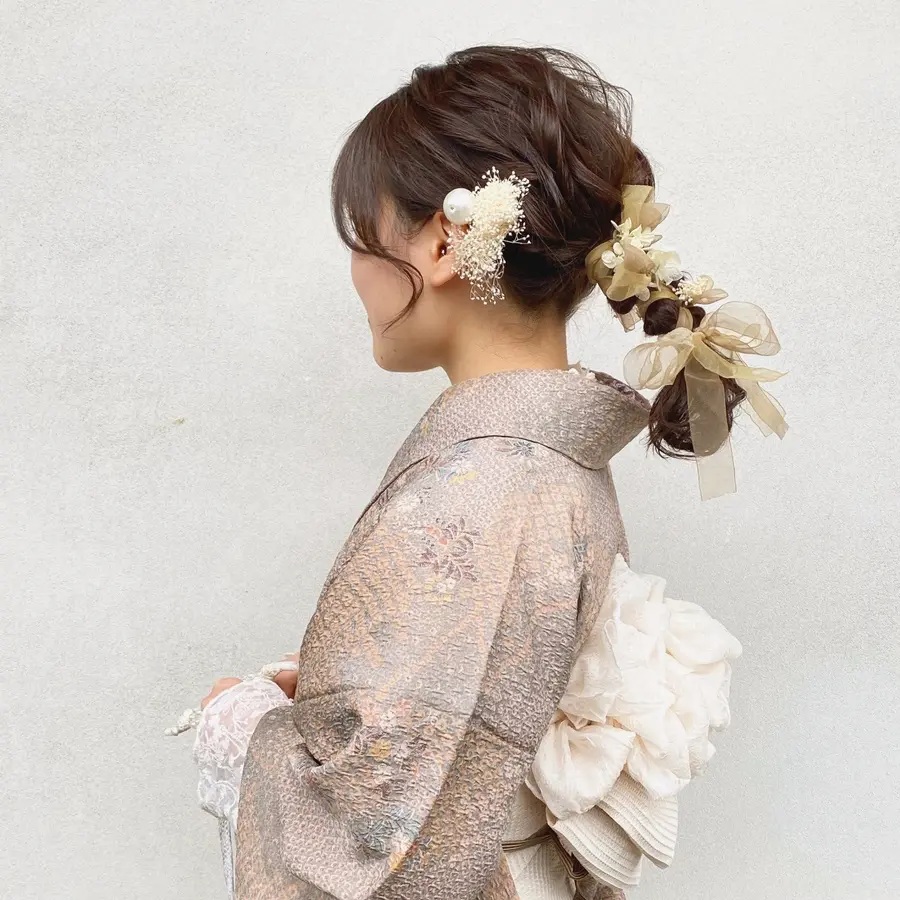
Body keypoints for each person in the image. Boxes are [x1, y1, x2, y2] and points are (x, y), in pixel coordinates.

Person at [187, 44, 787, 900]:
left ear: (444, 243)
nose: (356, 271)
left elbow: (376, 840)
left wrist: (241, 726)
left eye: (362, 236)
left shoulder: (481, 488)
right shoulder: (550, 463)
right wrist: (336, 692)